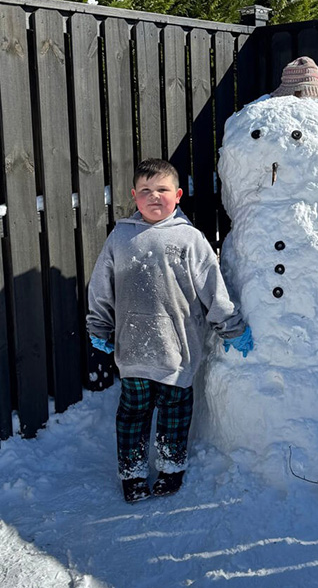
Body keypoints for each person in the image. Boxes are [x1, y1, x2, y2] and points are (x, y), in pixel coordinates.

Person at [85, 158, 254, 503]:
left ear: (177, 195)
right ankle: (132, 473)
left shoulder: (190, 239)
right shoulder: (121, 237)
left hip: (178, 354)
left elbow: (213, 289)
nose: (154, 196)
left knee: (174, 417)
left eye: (162, 189)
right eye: (145, 190)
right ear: (134, 196)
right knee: (132, 416)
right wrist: (99, 326)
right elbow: (101, 288)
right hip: (133, 352)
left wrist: (231, 328)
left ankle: (170, 468)